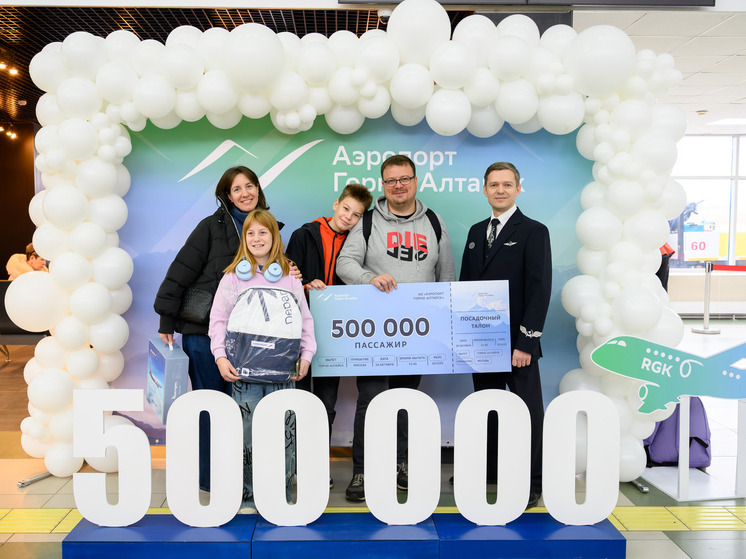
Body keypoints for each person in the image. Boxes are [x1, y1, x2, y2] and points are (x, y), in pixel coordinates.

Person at [154, 166, 283, 494]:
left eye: (249, 186)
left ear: (258, 189)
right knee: (210, 406)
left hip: (249, 340)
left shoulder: (268, 228)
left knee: (245, 410)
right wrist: (167, 318)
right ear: (227, 195)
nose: (245, 193)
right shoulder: (210, 227)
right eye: (237, 189)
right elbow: (180, 270)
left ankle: (242, 479)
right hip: (203, 334)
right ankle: (210, 479)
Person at [336, 154, 456, 501]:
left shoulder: (433, 221)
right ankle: (362, 470)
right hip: (375, 331)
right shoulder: (368, 221)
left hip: (418, 332)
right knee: (370, 399)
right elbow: (345, 263)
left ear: (415, 181)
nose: (398, 186)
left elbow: (446, 274)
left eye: (405, 179)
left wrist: (443, 321)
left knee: (406, 398)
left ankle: (400, 463)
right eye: (391, 180)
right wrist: (369, 278)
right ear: (383, 185)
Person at [208, 209, 315, 512]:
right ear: (244, 239)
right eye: (251, 233)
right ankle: (249, 496)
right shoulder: (232, 277)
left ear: (274, 237)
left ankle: (281, 494)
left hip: (283, 372)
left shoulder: (289, 278)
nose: (257, 238)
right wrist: (220, 356)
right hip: (244, 374)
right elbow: (218, 320)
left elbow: (305, 320)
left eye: (263, 232)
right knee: (247, 435)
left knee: (284, 434)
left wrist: (306, 355)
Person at [459, 161, 552, 511]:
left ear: (518, 188)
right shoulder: (475, 231)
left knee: (528, 413)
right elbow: (466, 287)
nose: (500, 190)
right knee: (488, 409)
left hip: (517, 344)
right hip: (482, 343)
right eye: (494, 185)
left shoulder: (534, 231)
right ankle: (491, 471)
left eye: (507, 184)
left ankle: (532, 481)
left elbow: (540, 289)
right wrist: (465, 338)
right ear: (484, 189)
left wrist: (526, 342)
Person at [285, 183, 373, 488]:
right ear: (336, 204)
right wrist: (305, 284)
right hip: (299, 331)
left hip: (334, 333)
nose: (348, 216)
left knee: (326, 402)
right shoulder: (304, 234)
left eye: (356, 214)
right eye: (346, 208)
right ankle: (295, 466)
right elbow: (286, 276)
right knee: (298, 398)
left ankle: (318, 465)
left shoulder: (358, 242)